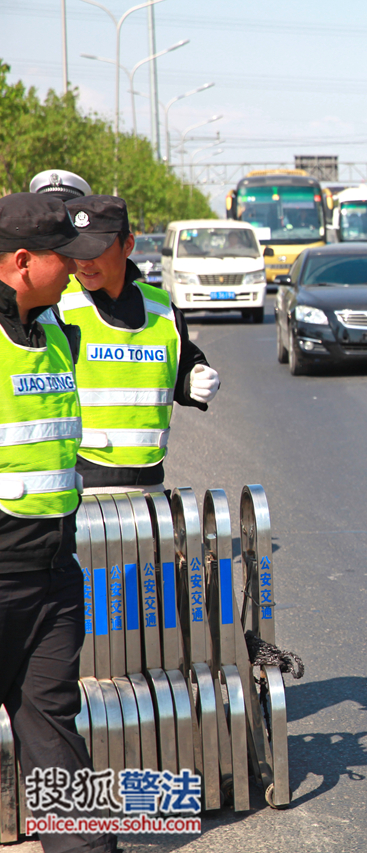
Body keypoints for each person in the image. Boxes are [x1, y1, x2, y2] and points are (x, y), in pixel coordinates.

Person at [0, 192, 118, 853]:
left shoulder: (49, 336)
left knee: (55, 738)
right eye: (62, 260)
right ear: (21, 262)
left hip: (49, 580)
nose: (77, 270)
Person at [57, 196, 218, 494]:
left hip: (150, 482)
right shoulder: (58, 306)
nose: (84, 261)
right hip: (80, 482)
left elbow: (183, 369)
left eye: (96, 249)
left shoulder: (162, 309)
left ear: (128, 245)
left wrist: (196, 379)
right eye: (77, 250)